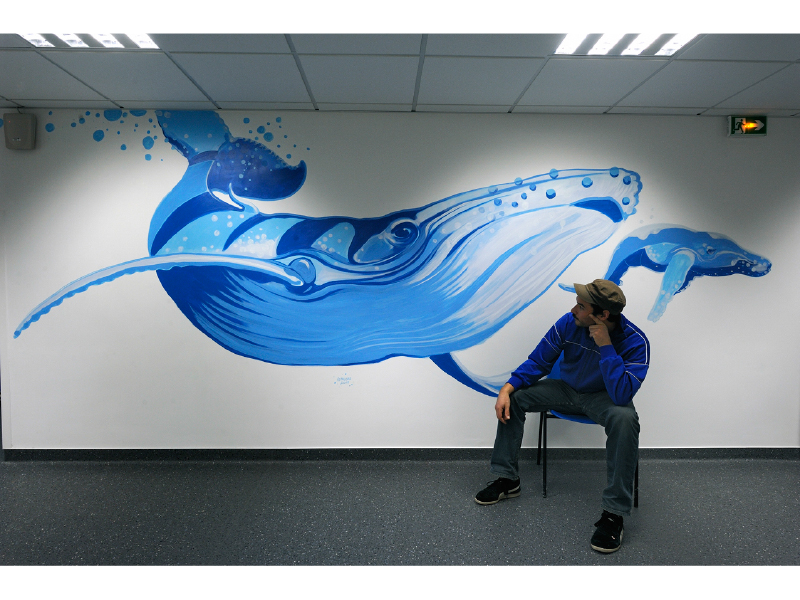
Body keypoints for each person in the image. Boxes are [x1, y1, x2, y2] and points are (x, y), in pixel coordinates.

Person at [474, 279, 650, 553]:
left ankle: (614, 514)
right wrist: (506, 389)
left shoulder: (636, 343)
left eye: (581, 306)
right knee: (516, 399)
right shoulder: (568, 324)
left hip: (603, 397)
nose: (573, 310)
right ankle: (507, 479)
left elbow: (621, 395)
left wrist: (606, 346)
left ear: (602, 315)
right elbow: (538, 361)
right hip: (564, 390)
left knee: (626, 420)